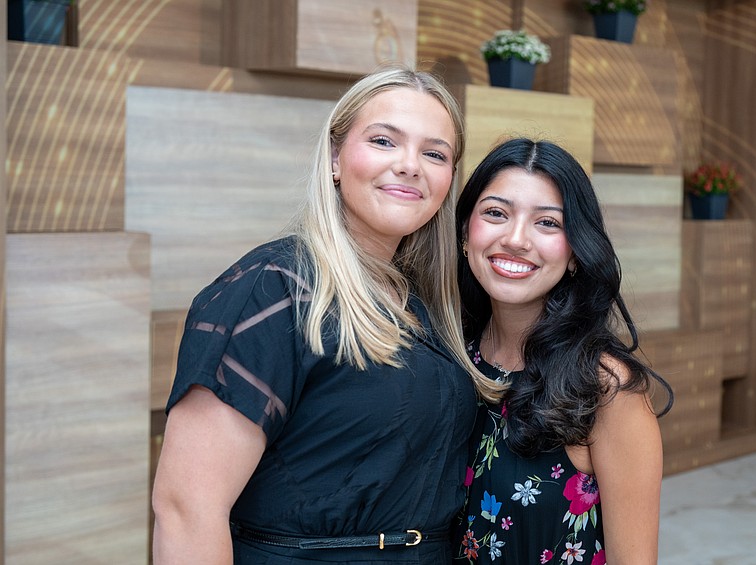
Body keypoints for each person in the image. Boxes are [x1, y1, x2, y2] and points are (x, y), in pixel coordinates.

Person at [151, 65, 501, 564]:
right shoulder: (271, 289)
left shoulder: (425, 304)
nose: (410, 165)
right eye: (384, 141)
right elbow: (186, 508)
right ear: (335, 157)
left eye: (434, 153)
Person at [453, 138, 673, 564]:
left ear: (575, 253)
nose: (516, 239)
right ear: (466, 234)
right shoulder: (451, 354)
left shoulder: (606, 388)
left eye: (548, 223)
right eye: (496, 213)